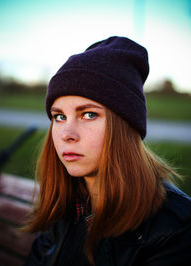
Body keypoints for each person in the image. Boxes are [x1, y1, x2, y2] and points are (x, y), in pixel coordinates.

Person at [24, 36, 191, 266]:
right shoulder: (66, 203)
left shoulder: (175, 230)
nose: (66, 134)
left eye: (88, 114)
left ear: (124, 125)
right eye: (59, 117)